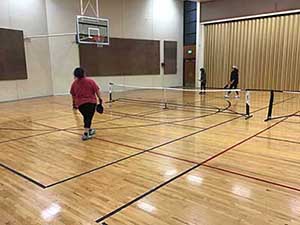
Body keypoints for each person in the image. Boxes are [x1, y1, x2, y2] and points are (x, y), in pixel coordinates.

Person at [70, 67, 102, 140]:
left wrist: (74, 104)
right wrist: (100, 99)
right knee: (88, 118)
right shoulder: (90, 81)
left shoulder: (74, 84)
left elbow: (73, 94)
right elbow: (97, 90)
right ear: (84, 73)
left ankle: (89, 130)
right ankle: (86, 133)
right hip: (91, 103)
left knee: (86, 117)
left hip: (80, 105)